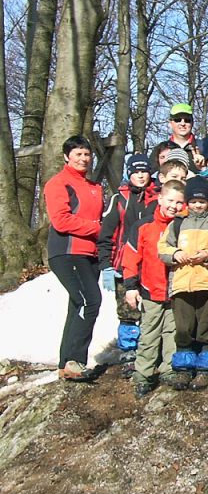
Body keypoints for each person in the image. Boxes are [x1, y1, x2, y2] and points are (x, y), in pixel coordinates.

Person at [159, 176, 208, 391]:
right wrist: (176, 253)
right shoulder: (177, 223)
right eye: (193, 201)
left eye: (201, 201)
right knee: (183, 328)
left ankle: (205, 370)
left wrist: (207, 255)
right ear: (187, 202)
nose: (197, 205)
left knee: (207, 326)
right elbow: (163, 248)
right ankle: (183, 370)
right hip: (182, 283)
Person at [45, 136, 104, 382]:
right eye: (78, 154)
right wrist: (97, 228)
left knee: (76, 305)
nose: (83, 159)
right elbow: (61, 220)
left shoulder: (95, 187)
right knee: (90, 301)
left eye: (87, 154)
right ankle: (75, 360)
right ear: (66, 157)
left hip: (91, 254)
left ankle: (65, 363)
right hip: (67, 252)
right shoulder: (58, 183)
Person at [123, 179, 186, 397]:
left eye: (179, 202)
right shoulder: (144, 226)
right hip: (151, 289)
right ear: (160, 199)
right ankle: (144, 373)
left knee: (173, 332)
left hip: (177, 290)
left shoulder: (184, 226)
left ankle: (168, 368)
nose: (174, 206)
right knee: (149, 333)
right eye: (170, 201)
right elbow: (130, 257)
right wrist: (130, 286)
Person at [97, 153, 157, 376]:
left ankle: (150, 349)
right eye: (136, 172)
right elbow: (107, 235)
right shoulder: (119, 200)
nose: (141, 176)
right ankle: (129, 352)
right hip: (124, 265)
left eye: (144, 171)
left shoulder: (158, 197)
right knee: (128, 311)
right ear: (129, 173)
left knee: (151, 310)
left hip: (151, 265)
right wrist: (106, 264)